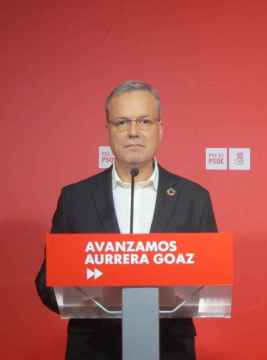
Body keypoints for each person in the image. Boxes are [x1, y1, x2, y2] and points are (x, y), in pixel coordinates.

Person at [35, 80, 217, 360]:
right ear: (108, 131)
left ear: (160, 129)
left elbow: (210, 282)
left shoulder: (194, 198)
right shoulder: (75, 198)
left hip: (169, 349)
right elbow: (47, 283)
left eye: (144, 121)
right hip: (93, 350)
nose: (133, 132)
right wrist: (95, 297)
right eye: (122, 122)